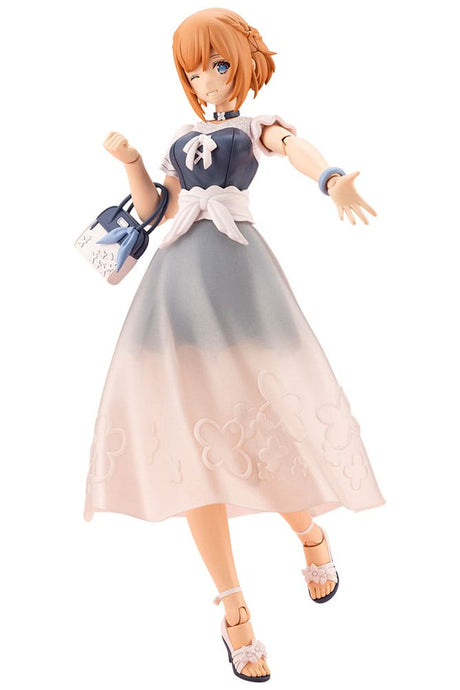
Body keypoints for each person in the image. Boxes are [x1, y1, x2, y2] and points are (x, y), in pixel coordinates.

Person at [83, 8, 386, 682]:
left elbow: (292, 146)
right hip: (174, 288)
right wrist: (132, 162)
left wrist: (330, 178)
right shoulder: (178, 140)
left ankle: (308, 532)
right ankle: (233, 608)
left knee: (259, 434)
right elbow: (156, 209)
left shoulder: (252, 128)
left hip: (239, 281)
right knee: (190, 445)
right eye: (194, 72)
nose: (207, 81)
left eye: (217, 66)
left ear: (242, 66)